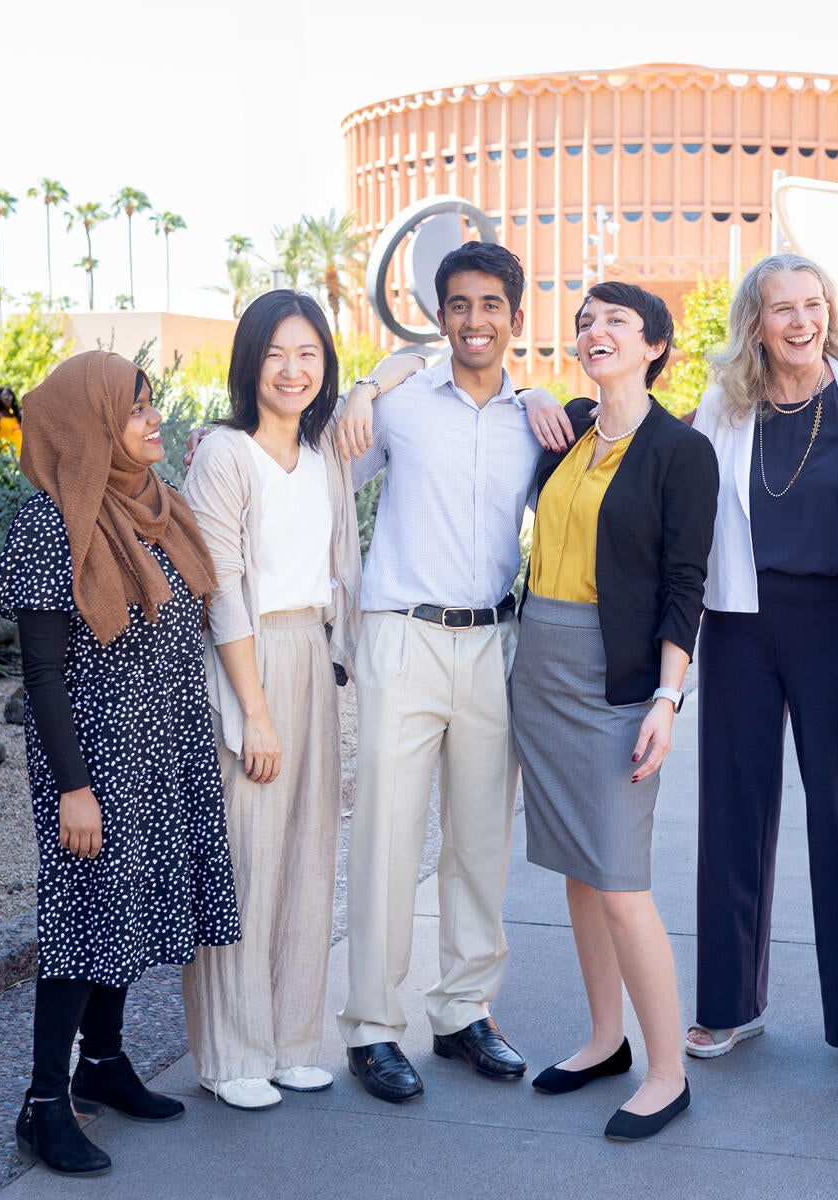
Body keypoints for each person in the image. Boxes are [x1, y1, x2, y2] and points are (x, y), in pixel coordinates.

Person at [0, 350, 240, 1177]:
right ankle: (44, 1104)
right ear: (89, 424)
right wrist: (73, 788)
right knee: (82, 916)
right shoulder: (50, 523)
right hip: (95, 758)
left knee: (130, 905)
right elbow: (43, 674)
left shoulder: (153, 508)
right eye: (135, 410)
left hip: (163, 744)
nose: (152, 419)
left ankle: (103, 1062)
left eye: (151, 404)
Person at [683, 255, 838, 1066]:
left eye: (813, 305)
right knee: (733, 814)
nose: (801, 321)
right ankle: (728, 1003)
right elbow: (682, 498)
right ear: (757, 323)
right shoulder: (724, 405)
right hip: (740, 622)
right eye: (783, 308)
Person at [332, 241, 543, 1104]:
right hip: (405, 637)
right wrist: (364, 384)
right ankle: (373, 1029)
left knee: (480, 840)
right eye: (459, 304)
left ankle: (462, 1013)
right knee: (385, 833)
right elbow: (322, 477)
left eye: (490, 304)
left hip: (495, 642)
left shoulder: (537, 420)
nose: (474, 320)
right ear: (442, 315)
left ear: (514, 318)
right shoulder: (402, 404)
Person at [514, 281, 718, 1141]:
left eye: (617, 323)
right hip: (541, 665)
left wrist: (668, 696)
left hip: (619, 677)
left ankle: (667, 1071)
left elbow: (684, 585)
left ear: (655, 346)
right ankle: (605, 1039)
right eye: (586, 321)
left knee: (624, 881)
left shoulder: (680, 451)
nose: (596, 331)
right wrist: (527, 393)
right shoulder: (562, 428)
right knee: (578, 867)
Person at [179, 291, 362, 1110]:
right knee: (247, 860)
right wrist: (253, 710)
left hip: (311, 652)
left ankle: (293, 1040)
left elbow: (339, 566)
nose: (294, 371)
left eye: (310, 355)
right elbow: (220, 589)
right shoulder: (222, 453)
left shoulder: (326, 453)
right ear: (250, 360)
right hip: (246, 656)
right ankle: (233, 1053)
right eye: (278, 353)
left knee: (307, 854)